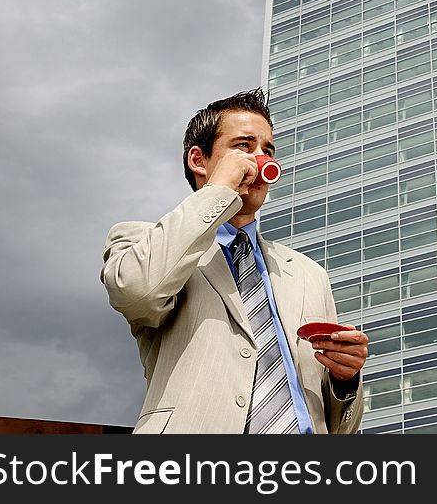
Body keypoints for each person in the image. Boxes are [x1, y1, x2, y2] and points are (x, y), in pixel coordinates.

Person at [101, 88, 368, 433]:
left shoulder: (308, 274)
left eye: (268, 150)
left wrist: (344, 380)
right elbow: (139, 293)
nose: (262, 160)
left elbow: (340, 428)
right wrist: (219, 191)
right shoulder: (144, 240)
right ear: (199, 160)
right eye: (244, 146)